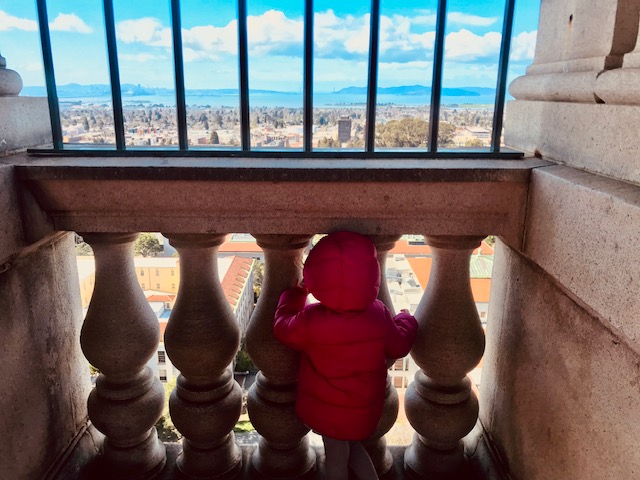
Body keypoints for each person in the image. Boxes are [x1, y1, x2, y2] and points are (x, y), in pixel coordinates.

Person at [274, 231, 419, 480]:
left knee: (336, 461)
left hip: (327, 410)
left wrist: (293, 296)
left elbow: (282, 329)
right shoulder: (378, 314)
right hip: (362, 409)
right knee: (351, 449)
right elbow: (398, 345)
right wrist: (406, 319)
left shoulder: (311, 320)